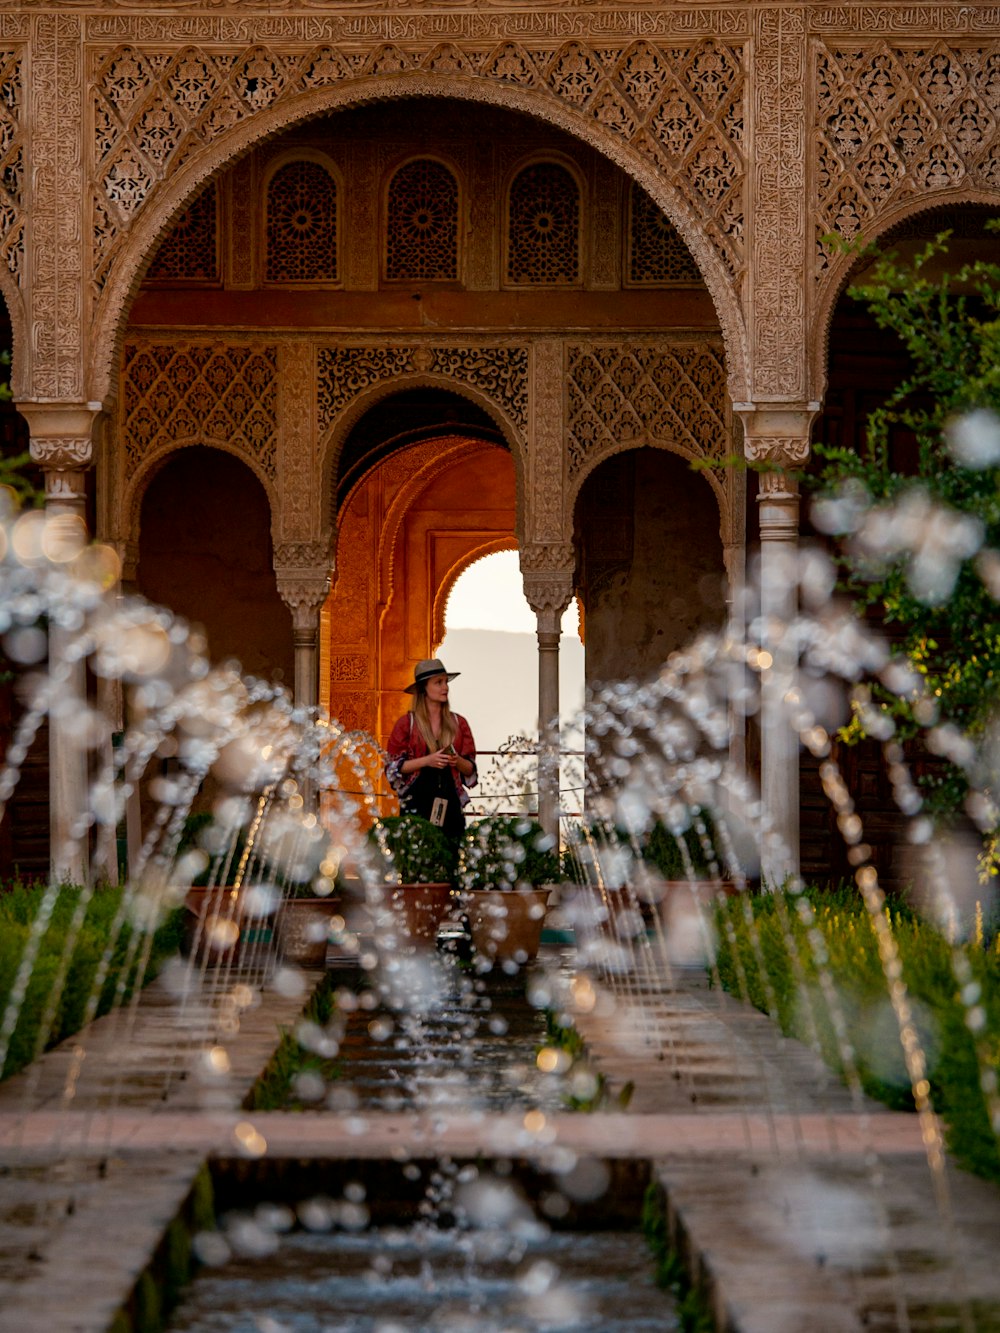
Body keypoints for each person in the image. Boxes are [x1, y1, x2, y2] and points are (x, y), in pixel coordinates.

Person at [385, 658, 478, 842]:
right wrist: (428, 761)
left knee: (451, 852)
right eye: (438, 682)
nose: (445, 688)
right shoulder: (406, 724)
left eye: (445, 682)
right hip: (416, 803)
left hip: (450, 805)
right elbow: (392, 768)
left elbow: (471, 770)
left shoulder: (459, 723)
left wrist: (456, 761)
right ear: (423, 689)